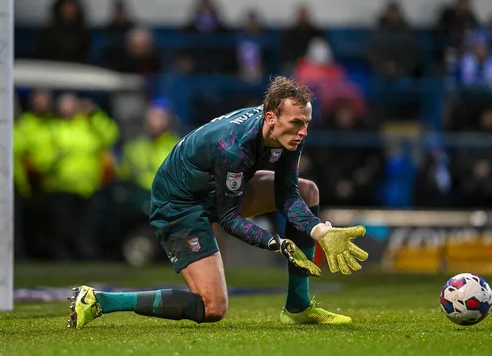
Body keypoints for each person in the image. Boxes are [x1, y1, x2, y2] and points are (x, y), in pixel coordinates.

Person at [68, 77, 368, 328]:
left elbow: (287, 194)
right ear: (271, 117)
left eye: (307, 123)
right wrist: (277, 243)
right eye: (297, 123)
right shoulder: (234, 146)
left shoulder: (286, 134)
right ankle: (100, 300)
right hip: (179, 204)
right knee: (213, 308)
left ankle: (298, 308)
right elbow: (229, 218)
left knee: (307, 191)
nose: (303, 131)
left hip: (217, 190)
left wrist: (320, 232)